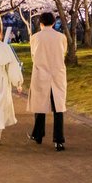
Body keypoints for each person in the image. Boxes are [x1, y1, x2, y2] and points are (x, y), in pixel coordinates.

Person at [28, 12, 67, 151]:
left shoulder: (35, 37)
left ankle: (38, 134)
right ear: (54, 22)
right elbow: (63, 53)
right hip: (57, 73)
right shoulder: (61, 37)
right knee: (58, 107)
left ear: (41, 23)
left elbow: (33, 55)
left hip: (41, 73)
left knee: (40, 103)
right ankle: (59, 140)